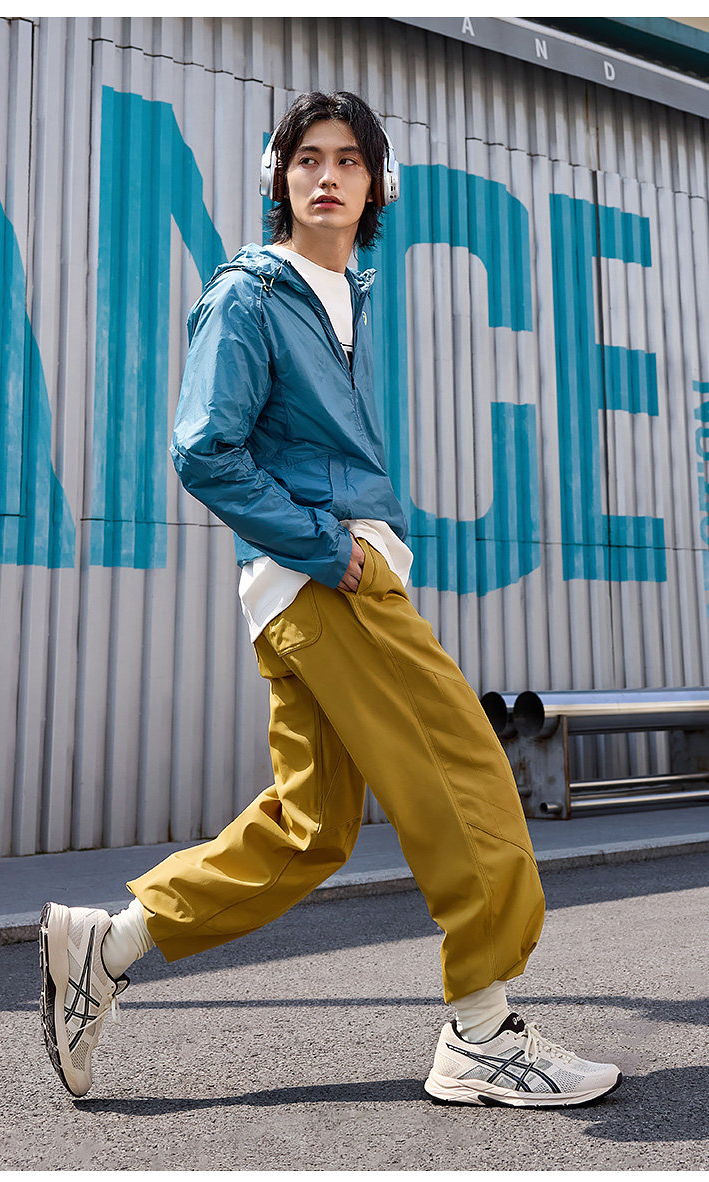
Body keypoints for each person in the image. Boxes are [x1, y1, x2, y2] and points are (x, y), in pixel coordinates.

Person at [39, 91, 622, 1109]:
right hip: (328, 582)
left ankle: (108, 944)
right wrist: (334, 552)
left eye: (349, 160)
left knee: (312, 828)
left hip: (312, 588)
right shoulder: (251, 296)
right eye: (307, 157)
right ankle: (482, 1031)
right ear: (278, 176)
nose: (326, 176)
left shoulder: (342, 294)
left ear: (376, 185)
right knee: (470, 783)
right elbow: (202, 450)